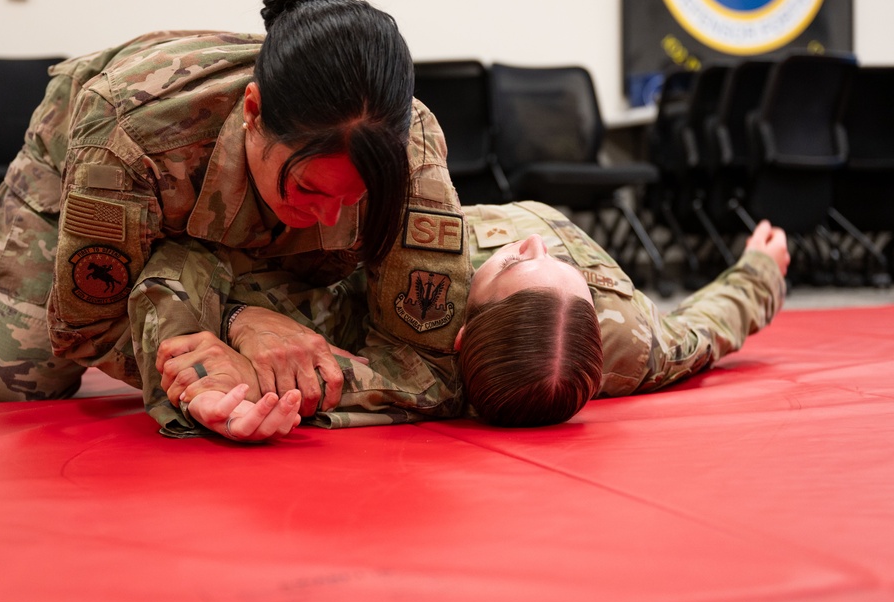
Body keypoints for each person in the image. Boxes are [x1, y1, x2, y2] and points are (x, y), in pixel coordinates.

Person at [0, 0, 472, 440]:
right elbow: (89, 327)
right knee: (11, 377)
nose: (332, 219)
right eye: (309, 190)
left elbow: (425, 363)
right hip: (78, 179)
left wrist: (249, 376)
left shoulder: (409, 151)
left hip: (208, 221)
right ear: (253, 113)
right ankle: (5, 297)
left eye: (355, 200)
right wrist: (236, 322)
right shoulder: (129, 126)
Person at [160, 200, 788, 440]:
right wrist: (760, 270)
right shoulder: (635, 344)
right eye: (558, 272)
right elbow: (710, 328)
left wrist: (219, 382)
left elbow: (305, 372)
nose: (537, 246)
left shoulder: (414, 345)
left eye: (516, 266)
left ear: (459, 335)